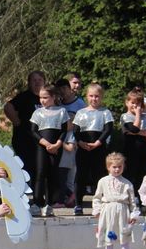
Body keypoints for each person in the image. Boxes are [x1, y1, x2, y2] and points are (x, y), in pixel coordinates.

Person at [72, 83, 113, 215]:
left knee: (99, 175)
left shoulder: (105, 112)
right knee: (81, 175)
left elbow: (108, 129)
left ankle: (100, 203)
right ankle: (78, 204)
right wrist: (80, 142)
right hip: (83, 147)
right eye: (91, 96)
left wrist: (98, 142)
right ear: (87, 96)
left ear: (101, 97)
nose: (94, 99)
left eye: (97, 96)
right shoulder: (81, 113)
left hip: (99, 148)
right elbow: (75, 130)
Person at [29, 84, 70, 216]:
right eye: (40, 98)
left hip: (56, 147)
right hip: (42, 146)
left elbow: (64, 130)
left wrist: (57, 144)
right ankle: (36, 202)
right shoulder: (38, 112)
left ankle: (49, 204)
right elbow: (33, 131)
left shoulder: (61, 111)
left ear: (53, 97)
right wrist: (46, 144)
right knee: (40, 173)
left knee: (52, 174)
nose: (42, 100)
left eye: (45, 97)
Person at [92, 153, 138, 249]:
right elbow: (97, 197)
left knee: (124, 235)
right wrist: (97, 210)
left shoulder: (127, 183)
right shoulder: (103, 181)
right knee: (109, 235)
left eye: (119, 167)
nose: (117, 169)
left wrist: (134, 214)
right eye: (114, 167)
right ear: (108, 167)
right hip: (108, 210)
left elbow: (132, 201)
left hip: (122, 210)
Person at [4, 71, 45, 184]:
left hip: (42, 140)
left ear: (44, 82)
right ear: (29, 83)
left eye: (39, 80)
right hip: (25, 140)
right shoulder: (25, 97)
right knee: (28, 168)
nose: (37, 82)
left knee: (40, 169)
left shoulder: (47, 97)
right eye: (34, 80)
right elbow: (8, 107)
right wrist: (17, 122)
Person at [59, 75, 86, 206]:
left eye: (65, 88)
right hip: (60, 141)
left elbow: (82, 124)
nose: (77, 86)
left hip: (72, 140)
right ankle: (67, 196)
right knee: (61, 172)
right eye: (74, 83)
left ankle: (73, 196)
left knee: (71, 172)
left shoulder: (80, 104)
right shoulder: (58, 103)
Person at [120, 88, 146, 194]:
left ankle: (139, 196)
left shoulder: (145, 117)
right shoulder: (125, 116)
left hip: (143, 149)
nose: (135, 106)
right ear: (127, 103)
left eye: (138, 104)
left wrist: (136, 132)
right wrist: (138, 115)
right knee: (130, 173)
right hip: (130, 149)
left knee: (141, 173)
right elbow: (133, 128)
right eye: (132, 103)